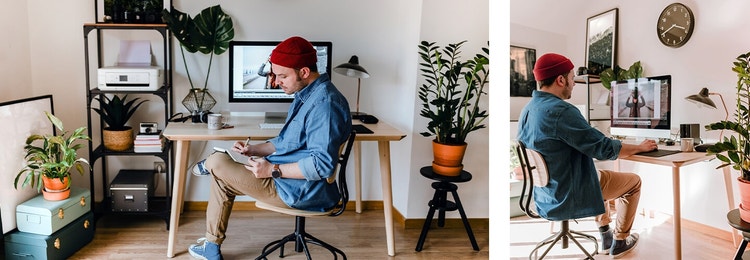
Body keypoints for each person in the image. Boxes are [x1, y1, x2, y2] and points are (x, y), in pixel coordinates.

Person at [187, 36, 352, 260]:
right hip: (290, 182)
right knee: (221, 175)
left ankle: (207, 166)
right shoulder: (307, 95)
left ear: (304, 72)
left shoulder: (325, 105)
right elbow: (285, 142)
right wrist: (253, 150)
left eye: (282, 76)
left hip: (300, 190)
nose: (275, 82)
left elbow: (320, 165)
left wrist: (272, 170)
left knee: (217, 161)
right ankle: (211, 246)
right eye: (274, 75)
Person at [516, 53, 657, 258]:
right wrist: (639, 147)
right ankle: (620, 240)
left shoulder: (528, 110)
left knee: (597, 172)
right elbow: (603, 149)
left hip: (546, 192)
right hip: (568, 192)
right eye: (573, 78)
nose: (574, 84)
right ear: (560, 80)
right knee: (633, 182)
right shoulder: (562, 111)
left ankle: (605, 233)